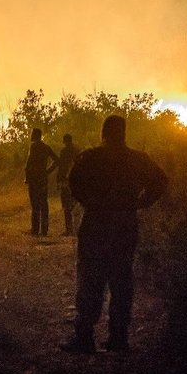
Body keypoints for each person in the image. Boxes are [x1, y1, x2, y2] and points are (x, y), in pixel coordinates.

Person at [61, 115, 167, 353]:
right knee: (121, 281)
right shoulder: (138, 160)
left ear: (104, 132)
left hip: (96, 224)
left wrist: (90, 201)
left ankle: (84, 337)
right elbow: (161, 180)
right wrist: (141, 202)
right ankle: (118, 338)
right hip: (124, 225)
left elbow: (73, 181)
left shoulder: (91, 158)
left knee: (90, 279)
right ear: (123, 132)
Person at [24, 128, 59, 236]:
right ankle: (44, 230)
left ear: (35, 135)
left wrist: (26, 177)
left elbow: (28, 164)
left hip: (34, 179)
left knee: (35, 205)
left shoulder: (33, 146)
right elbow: (57, 160)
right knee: (44, 204)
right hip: (43, 179)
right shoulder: (46, 147)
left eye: (32, 134)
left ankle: (35, 229)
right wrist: (47, 171)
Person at [57, 133, 81, 236]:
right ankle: (77, 229)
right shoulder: (78, 150)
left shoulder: (64, 151)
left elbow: (61, 167)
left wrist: (59, 180)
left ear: (65, 141)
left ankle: (69, 229)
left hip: (66, 181)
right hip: (77, 181)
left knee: (67, 206)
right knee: (76, 205)